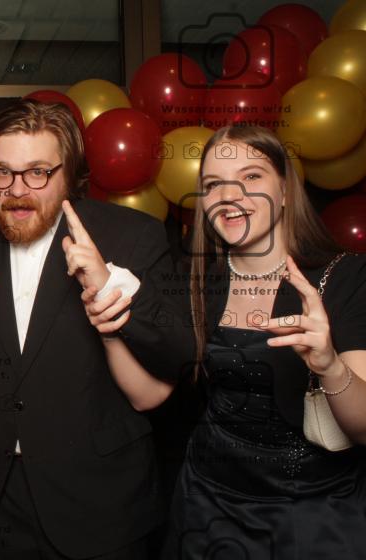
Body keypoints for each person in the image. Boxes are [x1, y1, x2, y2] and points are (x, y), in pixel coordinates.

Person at [0, 99, 191, 559]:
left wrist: (109, 288)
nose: (17, 190)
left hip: (97, 505)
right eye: (2, 173)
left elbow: (178, 354)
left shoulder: (133, 234)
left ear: (70, 174)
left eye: (37, 172)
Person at [88, 125, 366, 558]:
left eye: (251, 176)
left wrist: (329, 366)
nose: (230, 196)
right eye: (214, 184)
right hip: (208, 505)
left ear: (286, 190)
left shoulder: (344, 276)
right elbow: (148, 395)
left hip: (313, 513)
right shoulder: (196, 281)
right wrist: (109, 326)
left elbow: (362, 428)